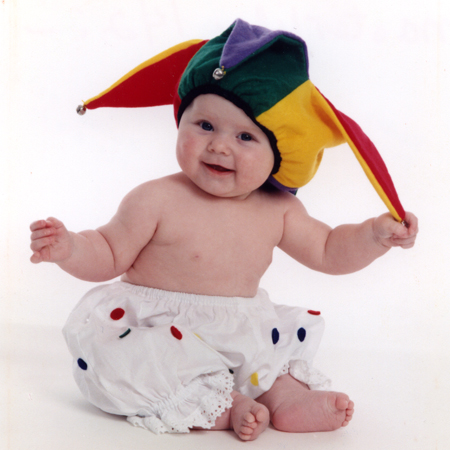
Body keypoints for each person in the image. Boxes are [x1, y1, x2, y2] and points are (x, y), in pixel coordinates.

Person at [29, 20, 418, 441]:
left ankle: (283, 398)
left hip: (239, 330)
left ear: (279, 155)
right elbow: (108, 251)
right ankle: (222, 405)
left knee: (270, 357)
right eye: (205, 126)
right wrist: (70, 247)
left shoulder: (278, 209)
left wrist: (375, 235)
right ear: (181, 121)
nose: (219, 146)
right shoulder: (155, 198)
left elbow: (328, 250)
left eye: (246, 136)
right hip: (158, 329)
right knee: (123, 359)